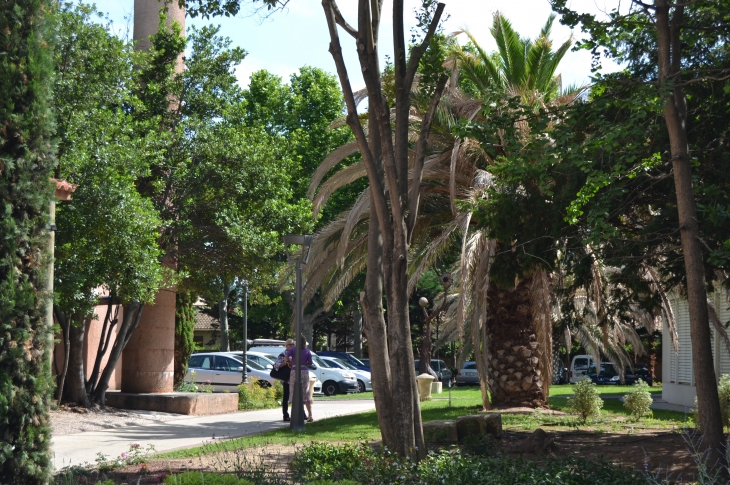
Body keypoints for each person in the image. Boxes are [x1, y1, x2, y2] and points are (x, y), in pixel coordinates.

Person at [285, 335, 314, 422]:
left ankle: (295, 415)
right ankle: (310, 415)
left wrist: (288, 362)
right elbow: (310, 363)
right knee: (306, 392)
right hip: (304, 371)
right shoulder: (307, 351)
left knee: (294, 391)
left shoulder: (293, 350)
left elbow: (286, 355)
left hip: (294, 370)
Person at [273, 339, 294, 421]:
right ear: (286, 345)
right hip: (287, 379)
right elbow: (276, 365)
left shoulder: (295, 353)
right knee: (286, 397)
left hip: (295, 378)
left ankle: (302, 414)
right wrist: (286, 362)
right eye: (290, 344)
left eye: (293, 344)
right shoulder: (283, 354)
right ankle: (285, 415)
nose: (292, 346)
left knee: (297, 397)